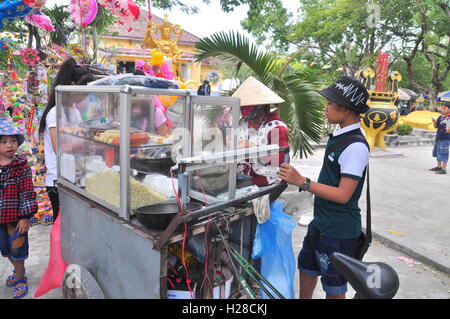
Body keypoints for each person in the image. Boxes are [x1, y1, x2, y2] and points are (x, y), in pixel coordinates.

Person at [279, 76, 370, 299]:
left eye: (330, 103)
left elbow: (343, 195)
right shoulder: (340, 136)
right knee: (307, 267)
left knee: (334, 286)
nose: (326, 108)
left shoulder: (356, 146)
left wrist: (303, 182)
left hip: (339, 230)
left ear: (347, 109)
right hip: (321, 221)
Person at [38, 58, 93, 224]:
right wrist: (86, 143)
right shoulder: (56, 113)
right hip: (58, 180)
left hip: (73, 175)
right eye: (82, 92)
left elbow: (77, 135)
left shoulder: (73, 111)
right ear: (71, 85)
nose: (84, 96)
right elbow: (59, 148)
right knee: (61, 224)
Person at [0, 118, 38, 299]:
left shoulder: (20, 165)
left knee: (18, 250)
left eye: (13, 140)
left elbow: (27, 192)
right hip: (0, 219)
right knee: (5, 249)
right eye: (4, 141)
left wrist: (25, 217)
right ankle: (17, 271)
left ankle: (20, 278)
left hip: (16, 218)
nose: (10, 145)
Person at [231, 76, 289, 187]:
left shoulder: (276, 127)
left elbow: (278, 160)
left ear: (261, 105)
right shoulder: (242, 122)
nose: (244, 108)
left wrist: (251, 146)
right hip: (240, 176)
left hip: (264, 181)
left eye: (248, 105)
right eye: (242, 105)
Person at [430, 101, 450, 174]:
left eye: (444, 108)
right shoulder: (440, 117)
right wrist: (434, 121)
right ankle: (439, 167)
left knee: (444, 153)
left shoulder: (449, 118)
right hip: (438, 137)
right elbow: (436, 127)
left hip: (445, 139)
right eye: (442, 108)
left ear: (449, 109)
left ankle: (444, 169)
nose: (442, 110)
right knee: (438, 152)